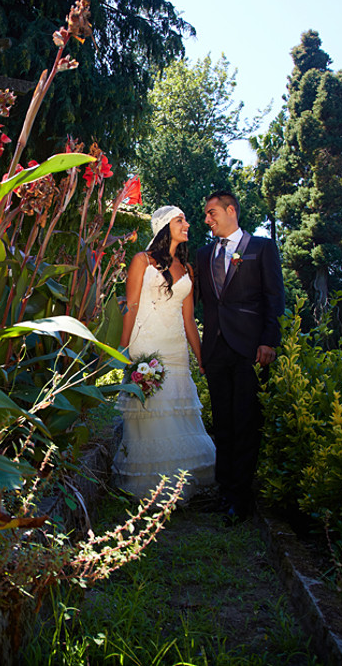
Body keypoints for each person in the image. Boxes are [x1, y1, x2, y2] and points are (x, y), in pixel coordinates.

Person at [113, 205, 215, 501]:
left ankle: (180, 484)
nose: (187, 224)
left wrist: (201, 357)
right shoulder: (142, 261)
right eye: (180, 220)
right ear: (163, 227)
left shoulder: (188, 269)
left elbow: (189, 319)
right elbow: (131, 306)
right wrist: (122, 348)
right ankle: (151, 487)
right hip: (147, 346)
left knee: (176, 413)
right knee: (151, 414)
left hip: (176, 348)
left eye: (185, 220)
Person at [195, 190, 285, 522]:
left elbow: (275, 297)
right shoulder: (203, 254)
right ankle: (224, 492)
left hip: (250, 349)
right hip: (216, 348)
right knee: (222, 423)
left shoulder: (261, 248)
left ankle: (240, 499)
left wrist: (268, 341)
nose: (207, 219)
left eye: (212, 213)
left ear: (231, 210)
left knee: (246, 422)